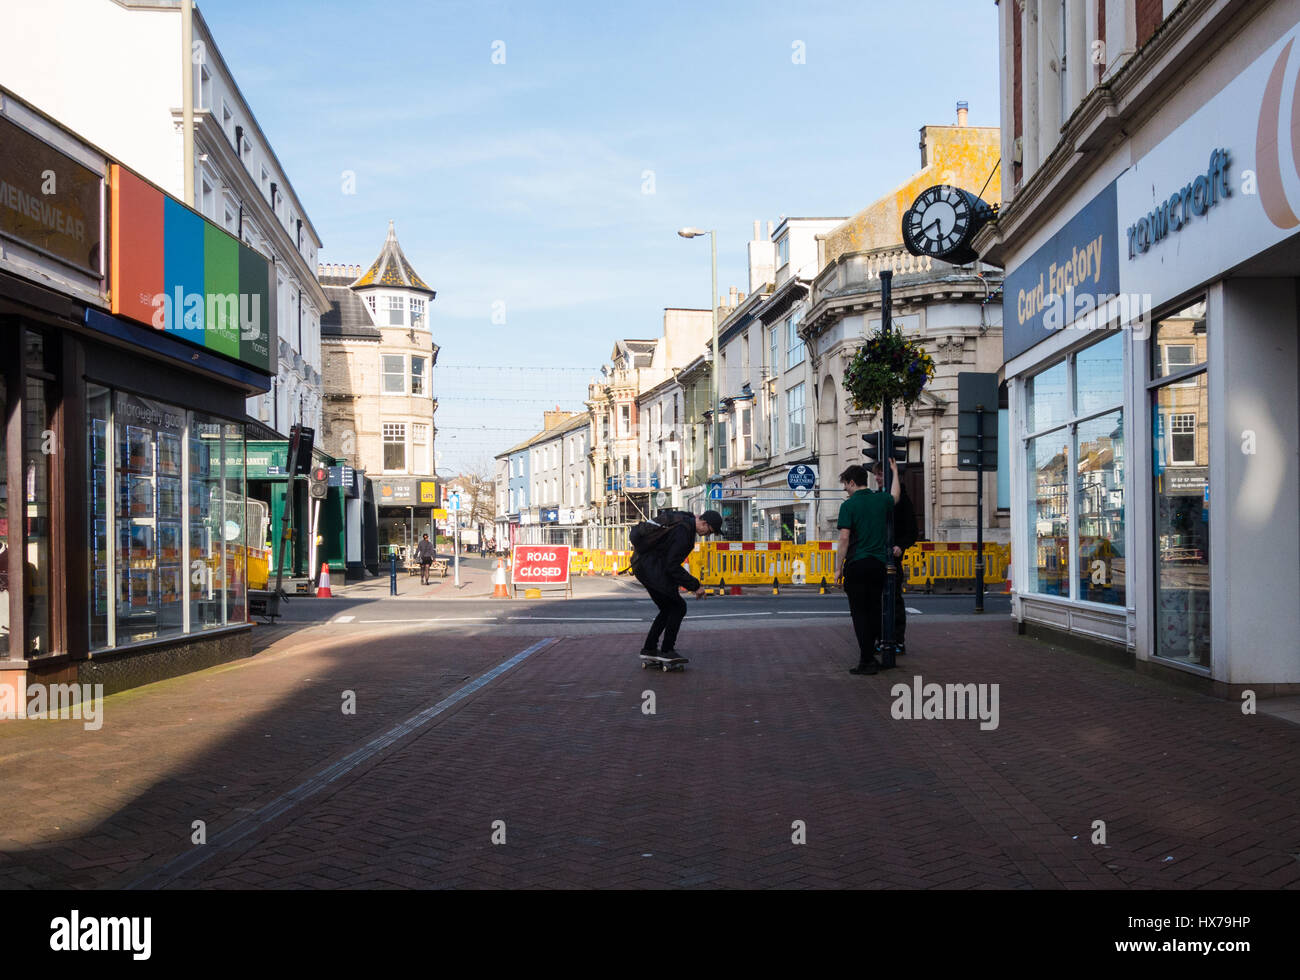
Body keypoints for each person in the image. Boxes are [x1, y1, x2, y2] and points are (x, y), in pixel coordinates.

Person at [630, 509, 722, 662]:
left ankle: (649, 648)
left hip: (644, 565)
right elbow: (672, 566)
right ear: (704, 523)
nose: (708, 535)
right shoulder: (684, 532)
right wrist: (695, 586)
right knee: (678, 607)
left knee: (668, 609)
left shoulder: (684, 521)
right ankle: (667, 651)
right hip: (651, 569)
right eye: (709, 531)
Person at [835, 460, 900, 675]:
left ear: (853, 482)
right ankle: (872, 655)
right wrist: (895, 472)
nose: (845, 488)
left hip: (857, 564)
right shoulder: (880, 500)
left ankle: (866, 660)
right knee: (873, 611)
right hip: (878, 565)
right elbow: (895, 496)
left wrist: (838, 568)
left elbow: (844, 539)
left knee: (859, 613)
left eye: (845, 484)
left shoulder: (849, 505)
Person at [872, 461, 918, 657]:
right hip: (876, 556)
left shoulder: (903, 500)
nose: (877, 478)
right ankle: (879, 639)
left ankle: (897, 640)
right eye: (876, 474)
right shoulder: (876, 497)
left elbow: (912, 530)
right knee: (876, 601)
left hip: (893, 558)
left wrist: (901, 545)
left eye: (881, 474)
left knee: (895, 600)